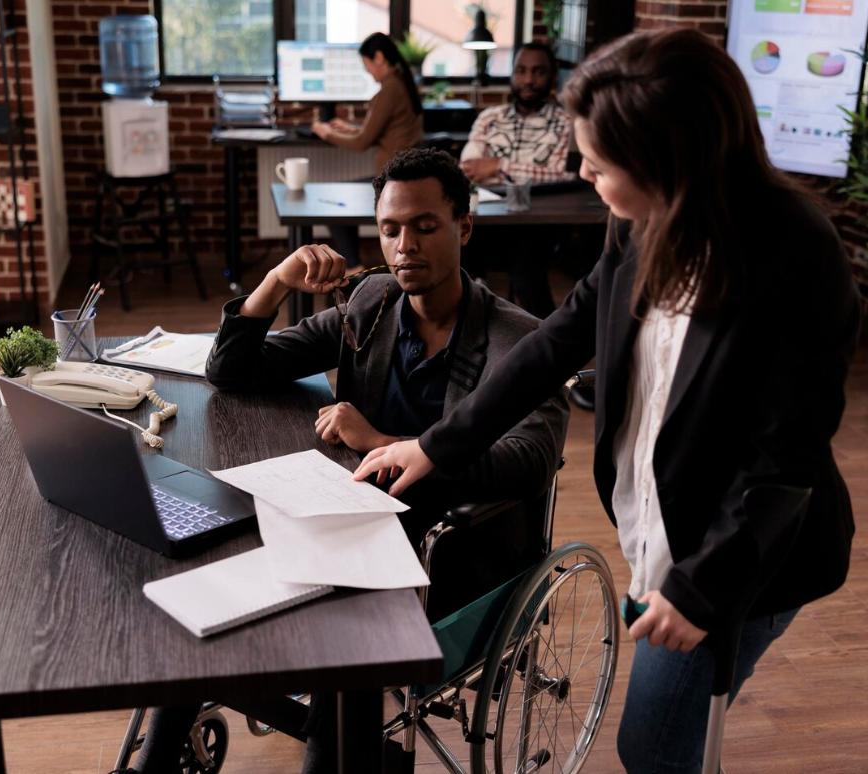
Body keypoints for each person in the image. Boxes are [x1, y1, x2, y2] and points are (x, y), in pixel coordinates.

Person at [356, 28, 860, 774]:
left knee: (653, 747)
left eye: (598, 161)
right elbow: (557, 340)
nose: (583, 170)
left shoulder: (797, 253)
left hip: (742, 554)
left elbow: (783, 460)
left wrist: (698, 590)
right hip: (661, 524)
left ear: (667, 160)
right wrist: (434, 445)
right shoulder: (638, 220)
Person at [125, 148, 568, 774]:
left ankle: (335, 749)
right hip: (346, 519)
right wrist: (277, 280)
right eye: (390, 229)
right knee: (203, 583)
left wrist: (383, 439)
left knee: (340, 636)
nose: (404, 245)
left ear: (464, 227)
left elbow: (531, 459)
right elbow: (234, 370)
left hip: (451, 544)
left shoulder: (520, 340)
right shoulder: (374, 305)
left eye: (425, 225)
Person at [460, 41, 575, 319]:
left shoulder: (567, 123)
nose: (527, 80)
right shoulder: (490, 118)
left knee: (527, 270)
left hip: (536, 227)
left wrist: (498, 165)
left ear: (551, 75)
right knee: (449, 253)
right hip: (486, 224)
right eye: (521, 71)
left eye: (537, 72)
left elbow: (562, 173)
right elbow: (469, 167)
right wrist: (518, 171)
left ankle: (546, 346)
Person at [312, 31, 424, 267]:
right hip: (401, 176)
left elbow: (362, 143)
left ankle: (353, 267)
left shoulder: (389, 91)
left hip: (391, 181)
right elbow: (378, 133)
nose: (367, 71)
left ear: (379, 57)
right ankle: (354, 265)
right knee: (338, 199)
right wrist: (349, 127)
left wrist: (327, 133)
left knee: (332, 204)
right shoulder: (402, 83)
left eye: (367, 64)